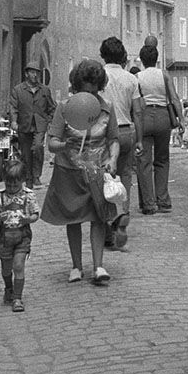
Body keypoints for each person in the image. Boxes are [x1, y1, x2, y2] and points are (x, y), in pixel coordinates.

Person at [41, 58, 120, 286]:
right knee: (72, 218)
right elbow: (52, 142)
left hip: (97, 171)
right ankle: (76, 266)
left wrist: (113, 158)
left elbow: (113, 138)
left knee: (98, 217)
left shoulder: (107, 108)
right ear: (77, 87)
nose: (90, 98)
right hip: (70, 171)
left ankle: (98, 266)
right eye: (86, 92)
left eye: (94, 92)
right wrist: (66, 145)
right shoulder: (64, 108)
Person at [99, 36, 144, 249]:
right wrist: (140, 139)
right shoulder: (131, 79)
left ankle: (109, 222)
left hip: (105, 132)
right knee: (126, 175)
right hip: (127, 130)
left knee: (105, 178)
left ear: (103, 55)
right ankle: (124, 211)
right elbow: (139, 111)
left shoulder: (100, 77)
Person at [136, 43, 184, 214]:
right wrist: (181, 119)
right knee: (162, 159)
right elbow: (175, 98)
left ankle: (148, 204)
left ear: (142, 60)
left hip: (144, 117)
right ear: (156, 59)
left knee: (144, 161)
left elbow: (136, 101)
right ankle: (163, 200)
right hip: (163, 116)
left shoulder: (138, 76)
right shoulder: (164, 74)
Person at [0, 156, 40, 312]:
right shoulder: (0, 196)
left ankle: (17, 298)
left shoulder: (28, 195)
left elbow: (35, 214)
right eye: (8, 184)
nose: (11, 188)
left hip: (22, 236)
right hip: (5, 238)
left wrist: (27, 220)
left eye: (15, 185)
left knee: (18, 265)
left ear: (22, 180)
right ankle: (8, 288)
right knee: (6, 268)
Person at [8, 62, 56, 188]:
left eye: (37, 72)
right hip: (24, 124)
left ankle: (36, 175)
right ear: (26, 74)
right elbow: (13, 107)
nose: (35, 75)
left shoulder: (44, 90)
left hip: (40, 125)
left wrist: (49, 120)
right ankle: (28, 177)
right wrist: (13, 121)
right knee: (25, 153)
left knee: (38, 147)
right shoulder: (18, 90)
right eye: (33, 72)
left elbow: (52, 107)